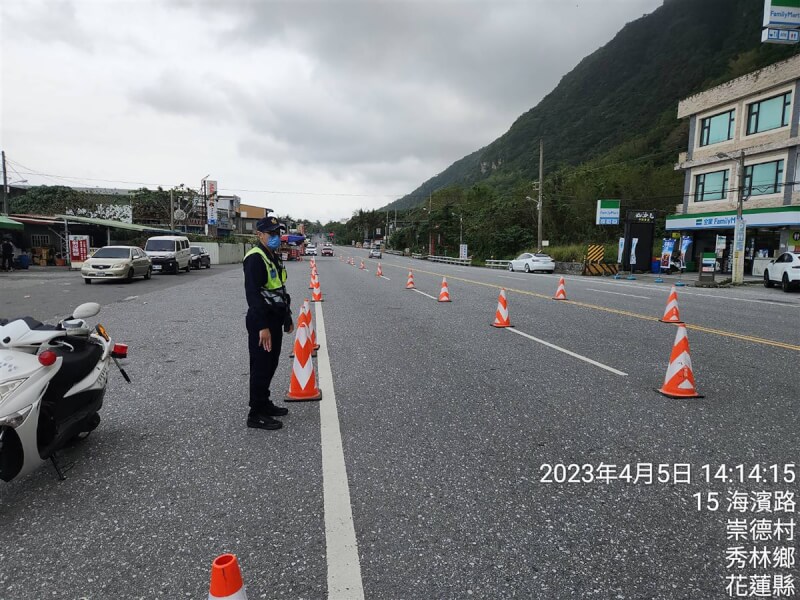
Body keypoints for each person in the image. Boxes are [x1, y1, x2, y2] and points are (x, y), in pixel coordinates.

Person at [243, 216, 293, 430]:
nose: (276, 237)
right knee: (261, 367)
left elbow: (279, 289)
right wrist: (263, 326)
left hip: (275, 319)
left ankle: (265, 402)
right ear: (260, 235)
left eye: (277, 233)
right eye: (271, 234)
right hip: (262, 322)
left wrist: (287, 317)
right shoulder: (255, 258)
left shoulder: (272, 255)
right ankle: (256, 413)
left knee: (271, 364)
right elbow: (253, 295)